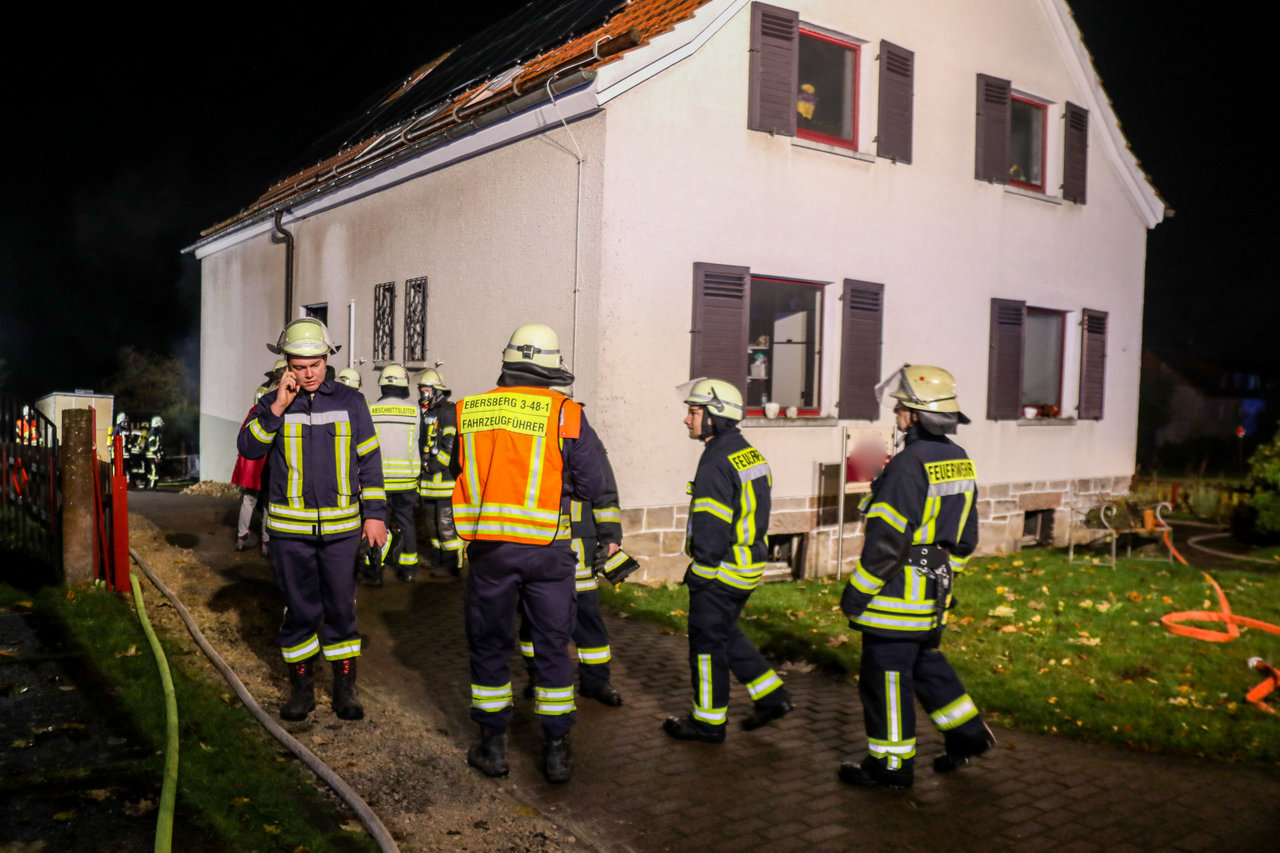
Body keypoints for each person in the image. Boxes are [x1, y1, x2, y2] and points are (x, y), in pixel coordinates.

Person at [452, 323, 606, 783]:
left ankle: (492, 746)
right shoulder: (566, 413)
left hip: (490, 548)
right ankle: (557, 750)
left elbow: (450, 469)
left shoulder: (468, 410)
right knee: (552, 647)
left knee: (490, 646)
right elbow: (592, 484)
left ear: (508, 364)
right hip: (549, 551)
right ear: (550, 370)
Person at [838, 365, 994, 789]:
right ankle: (968, 734)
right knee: (926, 664)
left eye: (901, 405)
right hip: (934, 593)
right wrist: (947, 579)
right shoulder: (958, 460)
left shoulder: (908, 465)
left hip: (895, 598)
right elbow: (966, 534)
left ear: (916, 415)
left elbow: (886, 543)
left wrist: (857, 593)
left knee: (885, 677)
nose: (896, 410)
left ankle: (891, 765)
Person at [238, 317, 387, 722]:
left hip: (342, 531)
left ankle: (344, 689)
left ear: (327, 360)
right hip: (290, 533)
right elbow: (249, 449)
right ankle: (302, 690)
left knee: (341, 607)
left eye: (315, 364)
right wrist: (278, 407)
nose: (308, 373)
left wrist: (375, 516)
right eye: (299, 366)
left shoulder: (352, 402)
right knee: (301, 610)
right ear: (286, 364)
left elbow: (370, 463)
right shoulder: (270, 402)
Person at [664, 378, 792, 744]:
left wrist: (700, 574)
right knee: (725, 634)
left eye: (693, 412)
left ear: (713, 416)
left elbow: (711, 528)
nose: (687, 420)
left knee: (705, 646)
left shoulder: (715, 461)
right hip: (748, 566)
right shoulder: (747, 453)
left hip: (720, 571)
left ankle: (707, 724)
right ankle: (773, 697)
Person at [519, 415, 627, 707]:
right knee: (533, 617)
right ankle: (536, 677)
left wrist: (611, 536)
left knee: (587, 618)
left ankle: (596, 682)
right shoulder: (523, 429)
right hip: (535, 542)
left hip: (579, 545)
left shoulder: (583, 433)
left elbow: (604, 489)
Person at [368, 363, 421, 583]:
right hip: (406, 480)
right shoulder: (415, 412)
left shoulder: (370, 411)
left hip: (378, 481)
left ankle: (375, 572)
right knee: (406, 522)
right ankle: (408, 569)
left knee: (376, 524)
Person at [417, 368, 463, 577]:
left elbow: (449, 446)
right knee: (431, 525)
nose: (422, 394)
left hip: (444, 481)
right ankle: (437, 559)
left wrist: (433, 466)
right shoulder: (428, 411)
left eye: (426, 390)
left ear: (436, 390)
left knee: (445, 525)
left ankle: (451, 563)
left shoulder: (448, 411)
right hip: (428, 482)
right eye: (421, 390)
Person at [233, 380, 274, 555]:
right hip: (266, 466)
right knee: (267, 504)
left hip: (251, 466)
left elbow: (243, 437)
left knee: (248, 500)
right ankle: (266, 541)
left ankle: (241, 536)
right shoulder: (276, 413)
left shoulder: (254, 411)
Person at [144, 415, 164, 489]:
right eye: (160, 424)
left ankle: (149, 485)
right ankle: (152, 486)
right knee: (154, 471)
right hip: (152, 456)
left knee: (151, 472)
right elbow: (152, 446)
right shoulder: (153, 433)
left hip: (153, 456)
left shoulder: (155, 433)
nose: (161, 426)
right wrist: (155, 455)